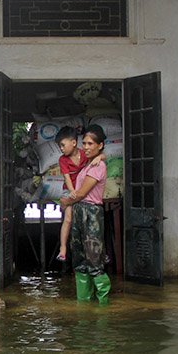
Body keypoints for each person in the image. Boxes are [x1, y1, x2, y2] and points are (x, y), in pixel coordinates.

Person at [59, 125, 109, 303]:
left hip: (91, 214)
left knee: (94, 259)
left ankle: (103, 304)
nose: (86, 147)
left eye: (90, 144)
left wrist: (66, 202)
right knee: (79, 259)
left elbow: (81, 193)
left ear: (100, 145)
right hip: (80, 212)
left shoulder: (98, 166)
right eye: (85, 143)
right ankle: (84, 302)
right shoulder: (87, 164)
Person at [55, 126, 105, 262]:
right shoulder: (62, 160)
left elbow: (103, 155)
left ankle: (99, 253)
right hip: (70, 190)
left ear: (73, 143)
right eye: (60, 146)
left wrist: (100, 156)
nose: (61, 149)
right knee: (69, 218)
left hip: (82, 190)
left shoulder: (85, 154)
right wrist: (72, 193)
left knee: (91, 229)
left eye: (63, 145)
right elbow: (66, 178)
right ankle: (63, 248)